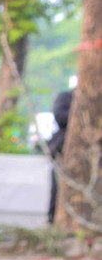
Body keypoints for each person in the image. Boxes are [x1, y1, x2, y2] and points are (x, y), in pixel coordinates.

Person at [47, 89, 72, 223]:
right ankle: (53, 217)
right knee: (58, 186)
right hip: (64, 150)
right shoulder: (67, 97)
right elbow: (59, 116)